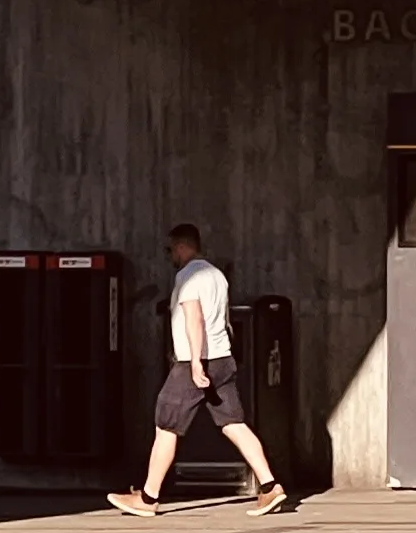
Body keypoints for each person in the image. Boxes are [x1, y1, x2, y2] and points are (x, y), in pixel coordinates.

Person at [110, 221, 289, 517]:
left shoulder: (189, 276)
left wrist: (194, 363)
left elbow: (194, 319)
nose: (170, 255)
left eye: (170, 249)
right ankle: (270, 487)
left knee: (166, 425)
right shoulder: (217, 276)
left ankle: (147, 498)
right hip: (222, 358)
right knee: (234, 424)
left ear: (182, 246)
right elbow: (223, 319)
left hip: (195, 362)